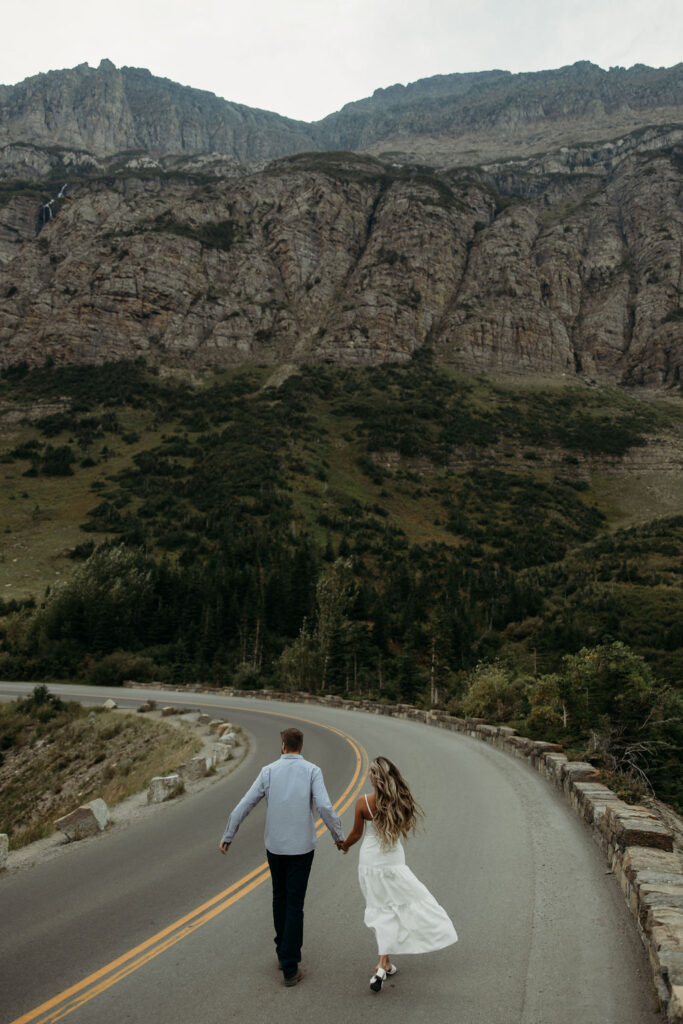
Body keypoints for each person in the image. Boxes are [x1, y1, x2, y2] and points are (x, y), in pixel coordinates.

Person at [219, 727, 344, 987]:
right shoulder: (312, 771)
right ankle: (290, 965)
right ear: (299, 746)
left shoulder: (268, 772)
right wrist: (337, 836)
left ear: (284, 746)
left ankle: (283, 951)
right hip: (302, 848)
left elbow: (246, 803)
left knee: (280, 897)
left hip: (275, 848)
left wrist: (229, 833)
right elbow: (323, 807)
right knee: (294, 903)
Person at [340, 755, 457, 992]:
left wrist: (343, 845)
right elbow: (402, 827)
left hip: (369, 863)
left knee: (381, 908)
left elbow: (355, 834)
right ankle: (384, 963)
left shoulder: (363, 802)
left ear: (375, 778)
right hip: (393, 860)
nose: (368, 777)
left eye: (370, 773)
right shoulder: (399, 802)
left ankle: (383, 964)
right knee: (396, 905)